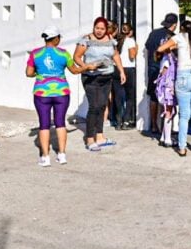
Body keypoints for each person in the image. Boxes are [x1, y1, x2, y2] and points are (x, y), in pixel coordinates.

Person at [26, 26, 92, 167]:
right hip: (61, 92)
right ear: (56, 39)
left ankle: (45, 157)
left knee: (44, 125)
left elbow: (28, 72)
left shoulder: (35, 54)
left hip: (41, 93)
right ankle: (62, 155)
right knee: (60, 122)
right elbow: (74, 70)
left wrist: (39, 74)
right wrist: (86, 67)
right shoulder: (63, 54)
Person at [158, 18, 191, 156]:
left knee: (184, 115)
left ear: (182, 28)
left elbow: (160, 49)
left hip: (183, 76)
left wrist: (173, 47)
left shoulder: (179, 37)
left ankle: (182, 147)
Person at [74, 17, 126, 151]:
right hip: (91, 78)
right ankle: (90, 139)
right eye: (97, 28)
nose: (99, 31)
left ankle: (100, 136)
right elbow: (76, 57)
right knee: (94, 107)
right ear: (93, 27)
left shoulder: (110, 40)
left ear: (106, 29)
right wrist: (86, 66)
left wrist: (121, 71)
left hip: (106, 77)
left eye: (102, 29)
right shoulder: (86, 40)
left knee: (102, 106)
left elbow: (115, 56)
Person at [144, 13, 178, 134]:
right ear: (174, 25)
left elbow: (147, 46)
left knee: (154, 97)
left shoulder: (154, 33)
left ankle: (154, 125)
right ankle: (167, 128)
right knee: (169, 98)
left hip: (153, 68)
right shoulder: (174, 37)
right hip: (168, 70)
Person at [111, 22, 138, 130]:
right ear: (130, 32)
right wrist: (136, 48)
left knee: (118, 96)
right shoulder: (130, 41)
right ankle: (126, 121)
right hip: (127, 69)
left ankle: (118, 121)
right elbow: (132, 56)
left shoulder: (116, 40)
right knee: (129, 96)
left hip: (116, 68)